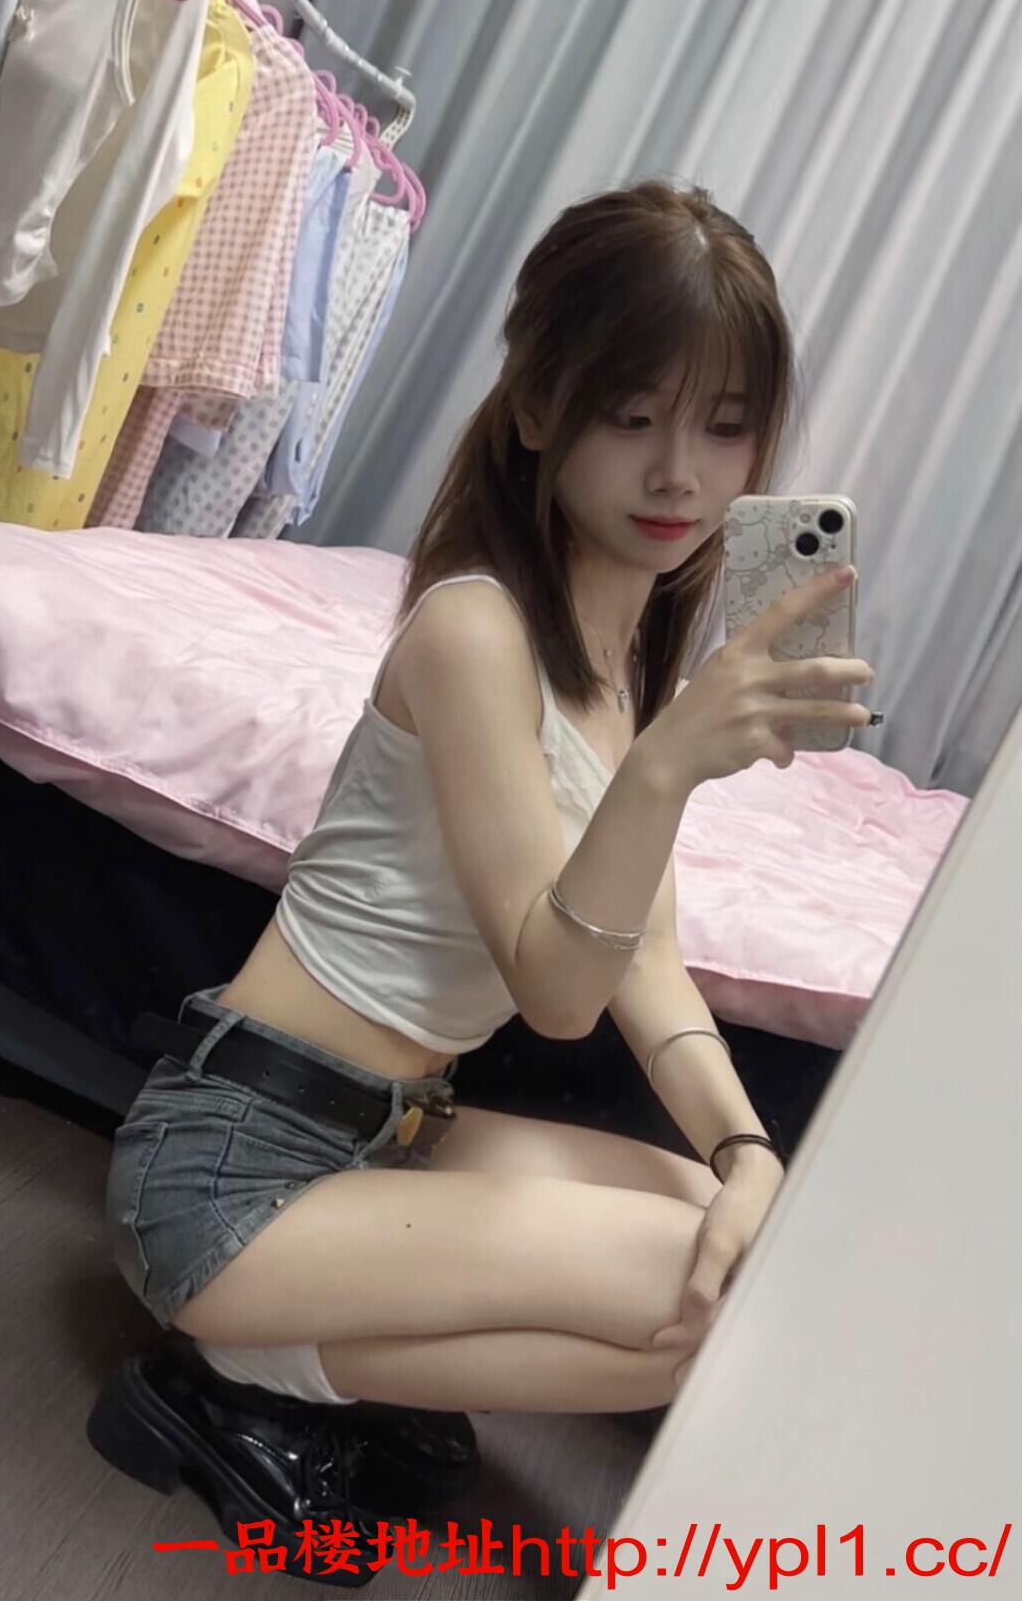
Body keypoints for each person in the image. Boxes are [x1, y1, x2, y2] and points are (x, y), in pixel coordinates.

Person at [88, 178, 875, 1573]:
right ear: (537, 409)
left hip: (390, 1136)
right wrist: (665, 771)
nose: (679, 476)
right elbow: (556, 989)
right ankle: (242, 1377)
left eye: (724, 426)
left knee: (724, 1236)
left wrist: (747, 1150)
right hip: (234, 1168)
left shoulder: (622, 666)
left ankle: (335, 1344)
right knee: (691, 1310)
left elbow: (643, 957)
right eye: (631, 417)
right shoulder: (474, 634)